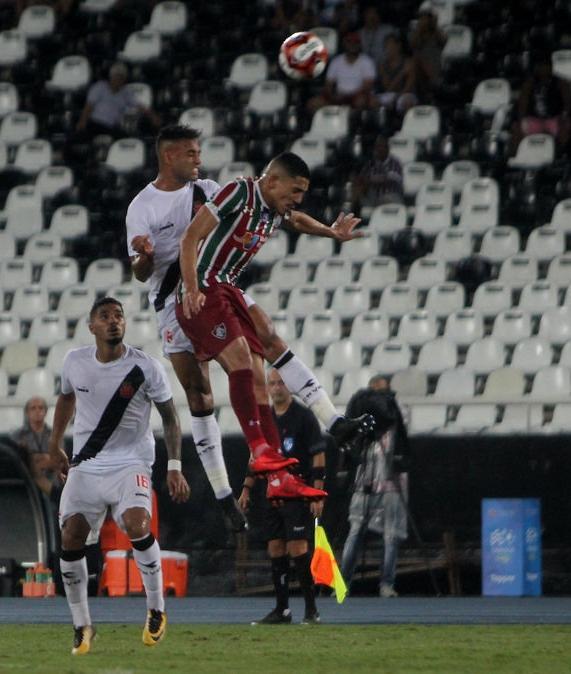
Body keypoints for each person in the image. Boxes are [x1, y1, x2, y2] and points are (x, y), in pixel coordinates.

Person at [128, 126, 374, 507]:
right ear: (169, 156)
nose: (199, 158)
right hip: (185, 295)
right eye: (191, 153)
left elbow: (294, 219)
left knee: (265, 352)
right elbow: (184, 242)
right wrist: (177, 278)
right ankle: (227, 488)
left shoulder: (218, 191)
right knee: (202, 393)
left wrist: (330, 232)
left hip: (221, 286)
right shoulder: (155, 204)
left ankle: (296, 457)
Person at [48, 297, 190, 655]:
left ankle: (156, 609)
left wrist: (174, 466)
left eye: (119, 316)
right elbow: (65, 399)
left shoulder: (146, 367)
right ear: (91, 326)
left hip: (131, 462)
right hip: (87, 463)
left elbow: (171, 417)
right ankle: (82, 627)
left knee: (137, 524)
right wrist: (55, 445)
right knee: (71, 536)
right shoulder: (74, 362)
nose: (114, 321)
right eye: (105, 316)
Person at [240, 368, 326, 625]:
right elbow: (256, 457)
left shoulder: (304, 417)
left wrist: (318, 494)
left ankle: (311, 610)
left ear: (290, 387)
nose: (276, 387)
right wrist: (246, 487)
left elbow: (319, 456)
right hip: (271, 493)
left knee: (297, 548)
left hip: (297, 492)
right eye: (272, 383)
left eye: (281, 383)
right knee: (275, 548)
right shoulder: (263, 419)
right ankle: (282, 610)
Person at [340, 383, 409, 598]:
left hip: (390, 483)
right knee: (356, 531)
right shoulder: (365, 425)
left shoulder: (394, 417)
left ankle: (386, 585)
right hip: (365, 482)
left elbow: (402, 448)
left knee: (389, 536)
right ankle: (344, 583)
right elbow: (349, 449)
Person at [75, 62, 160, 140]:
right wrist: (82, 121)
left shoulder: (126, 92)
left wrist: (153, 116)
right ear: (111, 76)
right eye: (116, 76)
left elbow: (139, 105)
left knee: (127, 140)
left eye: (121, 78)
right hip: (95, 123)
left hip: (111, 127)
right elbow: (89, 106)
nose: (118, 80)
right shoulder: (100, 87)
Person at [511, 53, 571, 154]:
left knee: (565, 128)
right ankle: (514, 157)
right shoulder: (529, 84)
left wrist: (564, 117)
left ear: (551, 67)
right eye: (540, 66)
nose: (543, 69)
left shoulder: (561, 82)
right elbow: (522, 105)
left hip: (555, 119)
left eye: (546, 66)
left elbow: (568, 104)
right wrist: (519, 121)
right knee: (517, 129)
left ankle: (562, 156)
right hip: (534, 120)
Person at [308, 31, 377, 114]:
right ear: (345, 44)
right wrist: (332, 96)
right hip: (338, 97)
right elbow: (328, 84)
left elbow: (367, 86)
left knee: (363, 101)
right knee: (312, 103)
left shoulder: (367, 61)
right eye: (349, 42)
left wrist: (349, 95)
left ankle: (357, 124)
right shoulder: (336, 61)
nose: (352, 45)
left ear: (359, 45)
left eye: (355, 42)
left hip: (357, 96)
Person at [12, 396, 61, 499]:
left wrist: (33, 459)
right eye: (33, 408)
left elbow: (57, 461)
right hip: (27, 482)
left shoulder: (55, 434)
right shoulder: (17, 435)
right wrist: (46, 458)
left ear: (46, 411)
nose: (37, 411)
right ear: (27, 413)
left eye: (40, 408)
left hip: (51, 481)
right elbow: (19, 462)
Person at [351, 134, 404, 211]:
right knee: (357, 191)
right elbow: (362, 178)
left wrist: (370, 180)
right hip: (374, 197)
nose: (379, 150)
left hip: (391, 196)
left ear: (387, 148)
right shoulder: (371, 163)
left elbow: (390, 178)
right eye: (377, 147)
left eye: (382, 147)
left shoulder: (395, 163)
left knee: (386, 199)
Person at [409, 6, 447, 102]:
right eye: (422, 18)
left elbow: (443, 41)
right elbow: (413, 45)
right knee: (416, 59)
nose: (425, 20)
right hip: (420, 72)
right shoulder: (415, 33)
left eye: (427, 18)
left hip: (435, 67)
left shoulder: (437, 33)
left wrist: (435, 24)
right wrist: (419, 28)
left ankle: (433, 84)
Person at [377, 34, 417, 114]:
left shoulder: (408, 62)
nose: (388, 49)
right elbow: (388, 88)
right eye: (386, 46)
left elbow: (409, 87)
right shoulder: (382, 65)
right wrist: (402, 73)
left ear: (398, 46)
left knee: (406, 102)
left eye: (391, 45)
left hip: (406, 94)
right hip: (390, 94)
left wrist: (397, 97)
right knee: (373, 101)